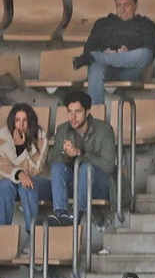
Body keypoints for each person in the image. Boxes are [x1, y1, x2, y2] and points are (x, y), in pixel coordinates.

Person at [44, 91, 116, 225]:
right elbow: (52, 163)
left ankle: (77, 215)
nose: (73, 117)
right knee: (58, 168)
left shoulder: (105, 129)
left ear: (87, 112)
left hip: (100, 184)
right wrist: (65, 155)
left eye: (78, 111)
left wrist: (80, 153)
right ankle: (62, 213)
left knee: (85, 168)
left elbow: (108, 166)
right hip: (75, 183)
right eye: (69, 111)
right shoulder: (62, 129)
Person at [0, 103, 47, 237]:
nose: (21, 125)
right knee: (4, 184)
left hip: (39, 182)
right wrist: (19, 173)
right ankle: (2, 234)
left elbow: (36, 170)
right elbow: (2, 166)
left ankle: (32, 234)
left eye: (24, 120)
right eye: (17, 120)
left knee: (27, 185)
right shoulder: (2, 136)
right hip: (11, 182)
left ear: (30, 122)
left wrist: (21, 148)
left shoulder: (40, 137)